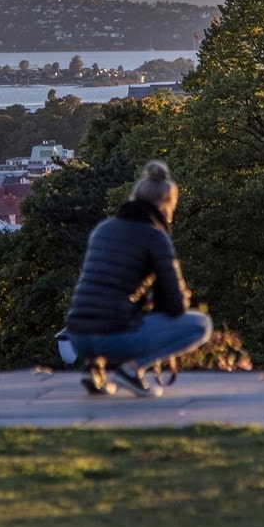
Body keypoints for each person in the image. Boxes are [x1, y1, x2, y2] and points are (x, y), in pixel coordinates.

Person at [64, 160, 212, 397]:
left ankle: (93, 368)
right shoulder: (155, 236)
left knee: (106, 312)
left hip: (77, 336)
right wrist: (166, 301)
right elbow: (175, 305)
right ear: (164, 205)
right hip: (112, 337)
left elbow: (102, 289)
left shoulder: (103, 228)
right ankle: (131, 370)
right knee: (199, 324)